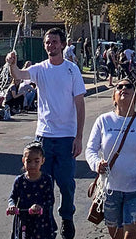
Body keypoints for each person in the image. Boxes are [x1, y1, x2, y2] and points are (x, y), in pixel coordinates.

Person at [6, 28, 86, 239]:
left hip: (66, 136)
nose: (51, 45)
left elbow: (79, 104)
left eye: (55, 42)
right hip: (44, 136)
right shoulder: (40, 69)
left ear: (62, 45)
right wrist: (12, 63)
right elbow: (19, 75)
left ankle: (66, 218)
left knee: (66, 183)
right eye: (48, 42)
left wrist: (79, 137)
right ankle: (46, 221)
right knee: (44, 182)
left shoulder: (72, 70)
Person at [86, 79, 136, 239]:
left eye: (128, 86)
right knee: (117, 236)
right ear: (114, 97)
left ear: (135, 96)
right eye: (119, 87)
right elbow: (90, 149)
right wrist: (96, 164)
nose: (123, 88)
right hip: (110, 190)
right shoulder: (103, 121)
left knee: (131, 236)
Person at [7, 140, 57, 239]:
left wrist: (40, 206)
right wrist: (12, 206)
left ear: (42, 161)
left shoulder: (46, 180)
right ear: (23, 161)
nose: (32, 165)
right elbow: (12, 197)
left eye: (36, 161)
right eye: (28, 161)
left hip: (42, 223)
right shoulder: (20, 181)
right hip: (24, 221)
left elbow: (50, 200)